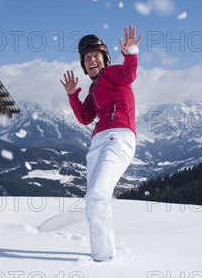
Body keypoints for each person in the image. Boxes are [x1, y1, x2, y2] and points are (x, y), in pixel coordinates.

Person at [60, 25, 142, 262]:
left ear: (105, 58)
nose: (91, 60)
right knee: (97, 201)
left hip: (118, 138)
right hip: (97, 144)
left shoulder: (113, 74)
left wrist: (131, 54)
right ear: (84, 66)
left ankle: (100, 260)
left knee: (95, 197)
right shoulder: (94, 89)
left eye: (96, 55)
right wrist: (73, 95)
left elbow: (129, 74)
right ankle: (105, 254)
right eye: (86, 58)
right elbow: (85, 117)